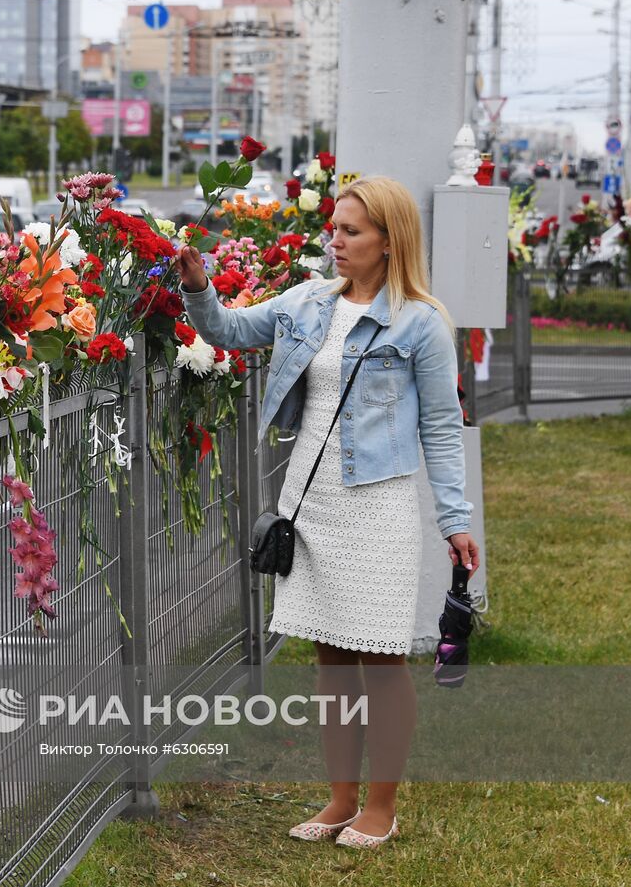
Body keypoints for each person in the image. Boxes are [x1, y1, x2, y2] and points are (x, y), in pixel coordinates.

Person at [175, 175, 480, 850]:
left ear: (389, 240)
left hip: (378, 505)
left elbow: (439, 422)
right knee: (331, 658)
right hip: (309, 504)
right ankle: (341, 798)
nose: (335, 242)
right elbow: (226, 329)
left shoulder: (421, 323)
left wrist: (455, 519)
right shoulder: (309, 301)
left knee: (381, 657)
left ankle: (382, 805)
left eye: (351, 231)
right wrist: (197, 283)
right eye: (333, 228)